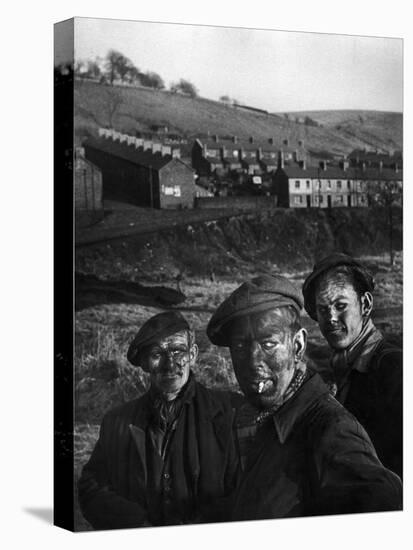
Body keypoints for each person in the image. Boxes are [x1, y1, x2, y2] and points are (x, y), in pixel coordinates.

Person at [207, 275, 402, 521]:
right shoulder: (265, 417)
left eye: (268, 344)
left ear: (298, 346)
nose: (253, 362)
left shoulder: (331, 430)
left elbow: (387, 509)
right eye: (240, 347)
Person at [78, 311, 239, 530]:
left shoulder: (228, 413)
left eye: (178, 351)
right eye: (156, 354)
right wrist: (135, 524)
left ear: (193, 354)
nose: (169, 365)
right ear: (144, 363)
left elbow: (246, 491)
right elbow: (91, 488)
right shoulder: (117, 422)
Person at [302, 253, 402, 478]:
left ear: (365, 304)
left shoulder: (395, 369)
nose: (331, 318)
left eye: (340, 305)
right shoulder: (335, 370)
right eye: (323, 309)